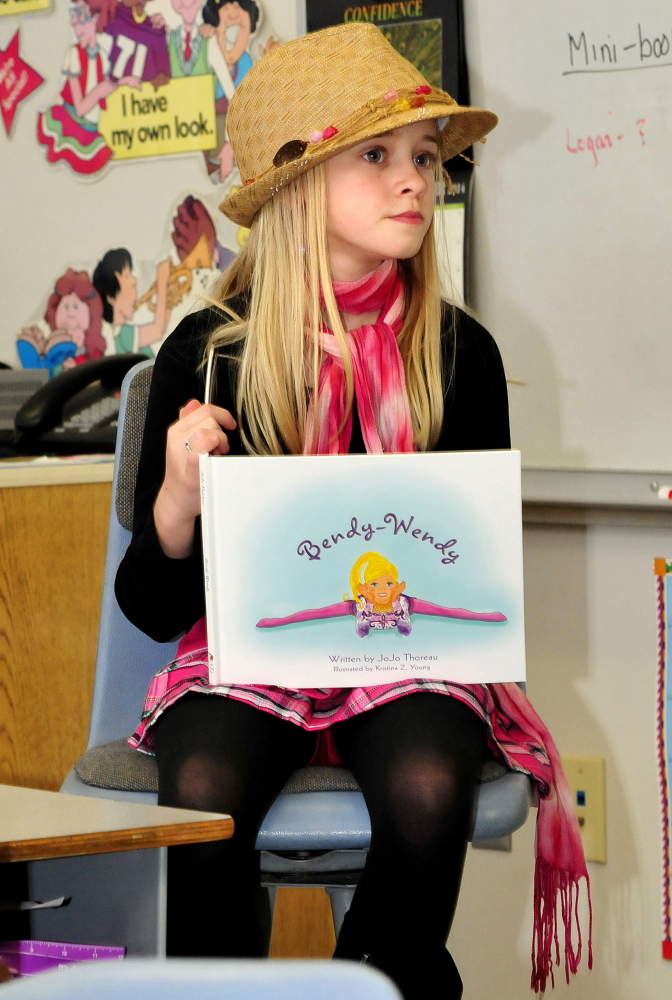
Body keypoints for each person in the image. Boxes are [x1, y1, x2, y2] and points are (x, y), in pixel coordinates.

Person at [115, 23, 590, 999]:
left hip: (413, 657)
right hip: (250, 657)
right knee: (201, 795)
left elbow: (477, 592)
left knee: (427, 786)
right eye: (376, 156)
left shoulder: (460, 353)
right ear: (295, 188)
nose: (416, 178)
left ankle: (372, 983)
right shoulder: (209, 355)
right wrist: (173, 498)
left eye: (423, 157)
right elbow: (153, 608)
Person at [256, 550, 507, 637]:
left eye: (388, 585)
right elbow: (314, 613)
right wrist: (277, 621)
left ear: (398, 587)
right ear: (364, 589)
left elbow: (448, 611)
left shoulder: (408, 602)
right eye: (374, 585)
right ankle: (365, 626)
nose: (383, 590)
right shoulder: (356, 605)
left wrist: (486, 616)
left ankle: (401, 625)